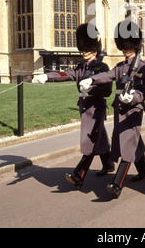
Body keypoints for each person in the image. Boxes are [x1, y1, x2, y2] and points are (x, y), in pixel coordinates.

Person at [80, 20, 145, 199]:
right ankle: (144, 168)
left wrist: (133, 97)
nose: (124, 49)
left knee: (127, 143)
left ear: (134, 46)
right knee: (132, 139)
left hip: (133, 110)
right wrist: (92, 80)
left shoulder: (142, 66)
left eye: (127, 46)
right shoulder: (120, 66)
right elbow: (108, 75)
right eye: (123, 46)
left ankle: (117, 184)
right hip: (120, 109)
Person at [36, 23, 114, 188]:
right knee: (98, 139)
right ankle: (108, 165)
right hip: (85, 109)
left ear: (94, 50)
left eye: (87, 49)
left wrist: (91, 88)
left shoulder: (102, 67)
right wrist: (48, 76)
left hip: (95, 110)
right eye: (83, 49)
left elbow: (107, 90)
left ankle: (78, 175)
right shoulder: (81, 67)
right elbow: (65, 73)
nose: (83, 52)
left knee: (89, 143)